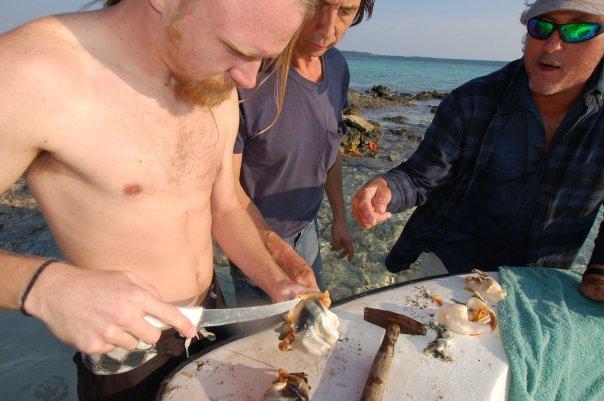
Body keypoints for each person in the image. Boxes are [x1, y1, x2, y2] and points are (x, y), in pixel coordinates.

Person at [0, 0, 321, 399]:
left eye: (264, 58)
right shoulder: (27, 73)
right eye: (238, 49)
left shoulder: (217, 80)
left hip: (209, 314)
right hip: (125, 351)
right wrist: (43, 286)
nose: (249, 79)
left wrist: (274, 281)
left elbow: (223, 206)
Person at [352, 0, 604, 301]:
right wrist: (386, 188)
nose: (552, 44)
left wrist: (598, 271)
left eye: (577, 30)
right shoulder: (472, 100)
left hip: (540, 287)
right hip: (451, 271)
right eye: (542, 27)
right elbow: (421, 177)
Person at [231, 0, 374, 306]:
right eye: (317, 5)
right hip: (255, 241)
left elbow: (330, 149)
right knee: (260, 344)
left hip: (307, 228)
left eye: (345, 11)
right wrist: (282, 255)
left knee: (315, 330)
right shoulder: (247, 76)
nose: (327, 28)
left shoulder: (337, 67)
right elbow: (225, 191)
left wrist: (339, 218)